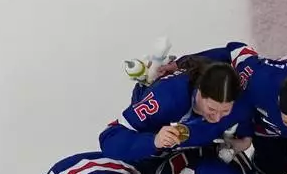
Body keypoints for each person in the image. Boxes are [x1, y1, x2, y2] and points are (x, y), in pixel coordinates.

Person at [99, 46, 255, 166]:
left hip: (192, 137)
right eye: (212, 109)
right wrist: (153, 141)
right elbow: (109, 138)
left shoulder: (241, 101)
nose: (217, 117)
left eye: (226, 111)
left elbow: (234, 50)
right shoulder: (166, 99)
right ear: (199, 91)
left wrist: (245, 139)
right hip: (155, 130)